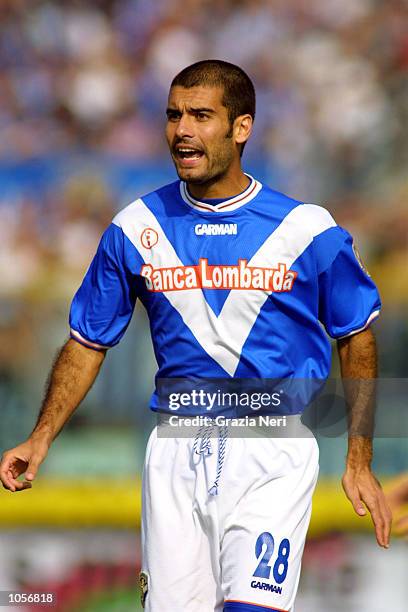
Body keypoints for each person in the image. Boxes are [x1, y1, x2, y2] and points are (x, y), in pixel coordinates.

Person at [0, 60, 391, 612]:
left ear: (241, 127)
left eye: (201, 115)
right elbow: (88, 341)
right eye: (173, 115)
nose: (182, 129)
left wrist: (358, 458)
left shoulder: (306, 228)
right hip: (175, 449)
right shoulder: (136, 226)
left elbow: (358, 336)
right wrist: (41, 436)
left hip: (272, 450)